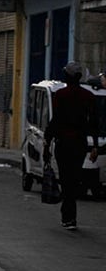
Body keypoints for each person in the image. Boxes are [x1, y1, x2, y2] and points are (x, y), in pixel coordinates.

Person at [44, 61, 99, 230]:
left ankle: (68, 215)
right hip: (79, 144)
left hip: (64, 143)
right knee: (73, 178)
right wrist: (95, 146)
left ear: (67, 76)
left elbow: (56, 120)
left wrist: (47, 141)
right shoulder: (88, 96)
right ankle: (69, 214)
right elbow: (94, 123)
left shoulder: (61, 95)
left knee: (67, 178)